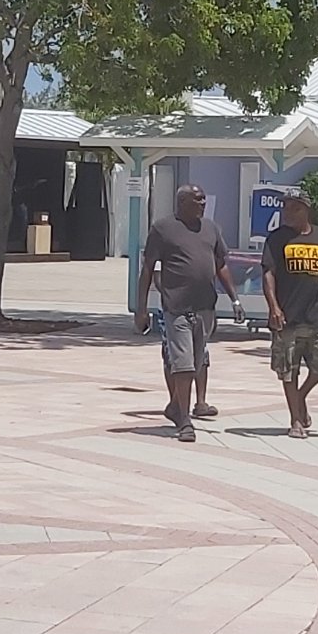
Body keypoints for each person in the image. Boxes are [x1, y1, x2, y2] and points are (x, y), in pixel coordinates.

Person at [136, 184, 233, 441]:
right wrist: (141, 309)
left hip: (205, 307)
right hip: (176, 308)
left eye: (203, 199)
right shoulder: (162, 229)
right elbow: (148, 269)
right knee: (183, 364)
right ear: (182, 202)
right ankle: (185, 420)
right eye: (197, 199)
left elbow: (220, 264)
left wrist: (234, 298)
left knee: (197, 362)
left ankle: (174, 407)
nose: (202, 203)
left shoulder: (211, 228)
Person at [262, 193, 318, 440]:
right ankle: (295, 420)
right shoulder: (277, 239)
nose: (288, 213)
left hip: (317, 313)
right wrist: (274, 307)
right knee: (289, 370)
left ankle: (300, 397)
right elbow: (268, 274)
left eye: (294, 208)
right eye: (286, 208)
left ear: (306, 210)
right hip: (288, 315)